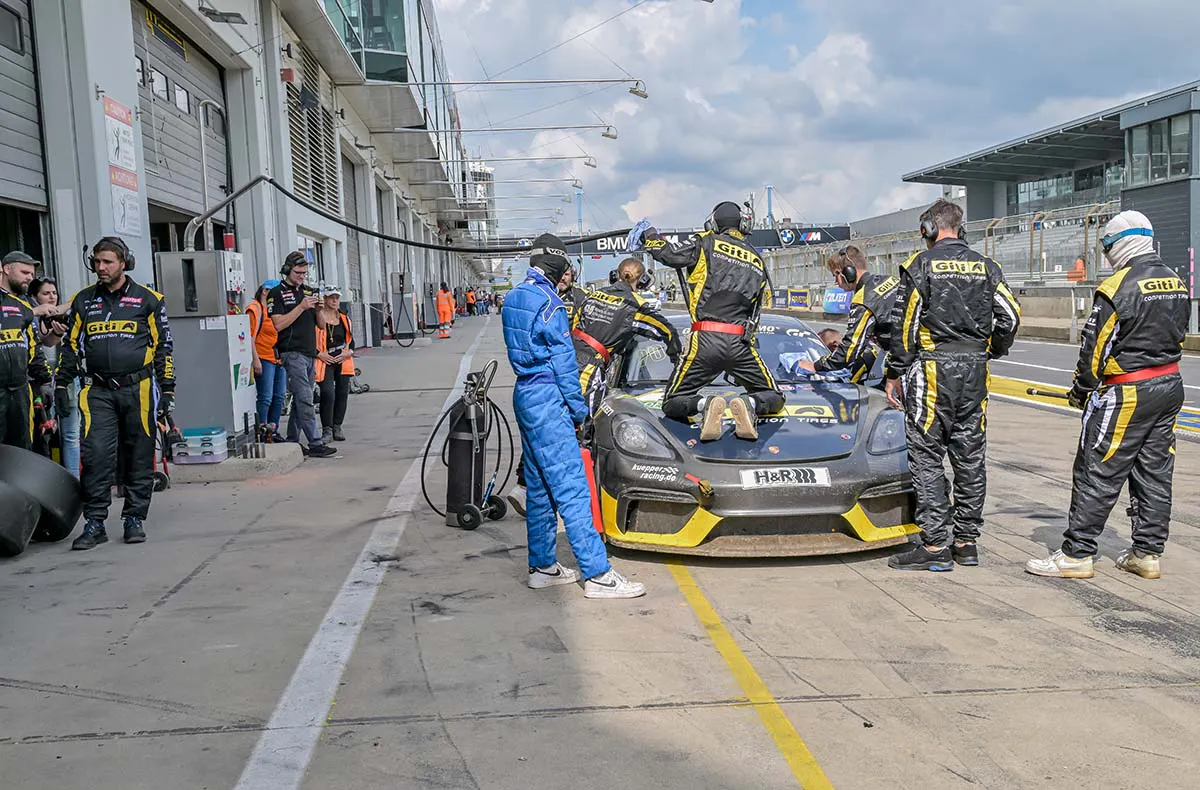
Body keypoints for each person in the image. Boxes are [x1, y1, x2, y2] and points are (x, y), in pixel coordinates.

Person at [1026, 211, 1188, 580]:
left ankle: (1076, 554)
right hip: (1169, 386)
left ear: (1119, 243)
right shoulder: (1176, 281)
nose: (1106, 252)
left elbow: (1094, 349)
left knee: (1096, 469)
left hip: (1127, 391)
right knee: (1155, 472)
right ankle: (1147, 554)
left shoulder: (1119, 287)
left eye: (1107, 245)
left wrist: (1081, 390)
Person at [502, 232, 645, 599]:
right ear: (556, 265)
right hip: (549, 396)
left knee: (539, 488)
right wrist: (580, 411)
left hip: (524, 392)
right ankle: (598, 574)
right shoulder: (551, 303)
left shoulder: (514, 297)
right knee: (572, 488)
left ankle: (543, 566)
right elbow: (566, 366)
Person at [884, 199, 1021, 571]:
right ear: (961, 230)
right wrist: (992, 348)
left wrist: (894, 372)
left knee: (927, 455)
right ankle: (966, 543)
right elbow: (1010, 315)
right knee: (970, 456)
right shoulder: (988, 267)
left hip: (933, 371)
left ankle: (933, 545)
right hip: (976, 370)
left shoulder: (921, 266)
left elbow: (905, 326)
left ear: (928, 230)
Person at [55, 237, 174, 549]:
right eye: (96, 262)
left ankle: (134, 517)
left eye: (107, 261)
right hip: (97, 390)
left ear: (124, 263)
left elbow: (164, 348)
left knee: (139, 453)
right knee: (95, 457)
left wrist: (169, 390)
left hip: (141, 388)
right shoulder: (82, 301)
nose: (101, 267)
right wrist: (59, 383)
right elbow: (70, 347)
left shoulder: (150, 299)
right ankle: (94, 523)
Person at [640, 200, 784, 441]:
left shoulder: (705, 242)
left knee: (673, 401)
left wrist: (649, 236)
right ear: (744, 224)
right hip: (740, 342)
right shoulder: (757, 259)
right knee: (774, 395)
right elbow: (759, 307)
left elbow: (668, 254)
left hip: (705, 340)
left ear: (713, 223)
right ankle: (748, 403)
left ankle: (705, 405)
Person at [572, 256, 680, 416]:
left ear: (615, 275)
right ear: (643, 280)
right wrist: (677, 360)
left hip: (566, 360)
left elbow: (574, 325)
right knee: (584, 422)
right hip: (588, 369)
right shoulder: (634, 305)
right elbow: (667, 331)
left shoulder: (592, 296)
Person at [793, 245, 900, 385]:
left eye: (836, 275)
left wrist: (816, 366)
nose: (836, 282)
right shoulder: (890, 280)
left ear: (847, 273)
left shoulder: (864, 299)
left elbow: (849, 352)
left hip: (911, 362)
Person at [266, 252, 336, 458]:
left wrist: (318, 310)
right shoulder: (276, 293)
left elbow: (321, 326)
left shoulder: (307, 291)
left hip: (309, 353)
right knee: (305, 399)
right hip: (291, 352)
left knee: (300, 399)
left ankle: (292, 439)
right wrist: (301, 306)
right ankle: (315, 443)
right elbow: (278, 324)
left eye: (304, 273)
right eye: (298, 273)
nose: (301, 277)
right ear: (287, 270)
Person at [0, 251, 52, 450]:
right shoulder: (26, 309)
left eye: (32, 273)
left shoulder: (24, 304)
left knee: (22, 448)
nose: (30, 278)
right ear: (6, 269)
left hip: (20, 391)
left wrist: (45, 380)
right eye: (25, 272)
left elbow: (33, 345)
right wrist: (31, 312)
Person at [29, 277, 80, 475]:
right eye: (45, 293)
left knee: (71, 435)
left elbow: (51, 343)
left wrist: (58, 331)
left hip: (65, 378)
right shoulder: (30, 315)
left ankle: (73, 481)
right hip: (40, 383)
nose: (51, 297)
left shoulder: (59, 315)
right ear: (34, 297)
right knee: (45, 434)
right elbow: (41, 341)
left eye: (54, 293)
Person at [246, 279, 286, 442]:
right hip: (263, 357)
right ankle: (261, 429)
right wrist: (256, 360)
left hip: (278, 358)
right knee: (266, 396)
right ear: (265, 291)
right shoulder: (255, 309)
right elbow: (250, 337)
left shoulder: (275, 310)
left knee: (279, 396)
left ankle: (273, 429)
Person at [315, 287, 354, 443]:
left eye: (337, 298)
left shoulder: (344, 318)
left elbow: (351, 341)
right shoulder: (317, 317)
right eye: (331, 298)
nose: (334, 301)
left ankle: (337, 426)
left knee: (342, 393)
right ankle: (327, 429)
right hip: (325, 358)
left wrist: (348, 352)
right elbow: (310, 339)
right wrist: (319, 353)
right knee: (327, 393)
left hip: (342, 358)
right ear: (324, 299)